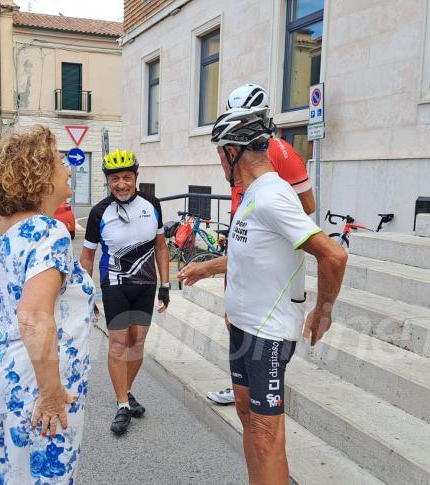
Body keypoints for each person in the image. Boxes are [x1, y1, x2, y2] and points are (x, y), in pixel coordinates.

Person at [202, 105, 347, 484]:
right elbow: (253, 255)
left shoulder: (273, 196)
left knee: (266, 435)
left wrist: (324, 310)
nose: (219, 163)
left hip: (268, 334)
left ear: (231, 152)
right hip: (243, 326)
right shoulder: (252, 194)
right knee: (245, 413)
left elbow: (333, 254)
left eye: (219, 154)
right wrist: (207, 268)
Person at [178, 84, 316, 406]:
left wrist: (272, 224)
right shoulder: (236, 155)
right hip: (245, 228)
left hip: (264, 238)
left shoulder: (276, 151)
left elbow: (306, 205)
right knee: (232, 317)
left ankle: (259, 384)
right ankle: (241, 381)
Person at [0, 126, 95, 484]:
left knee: (6, 471)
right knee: (44, 476)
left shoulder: (3, 230)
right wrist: (50, 393)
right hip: (35, 381)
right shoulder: (48, 231)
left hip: (2, 369)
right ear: (40, 172)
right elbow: (32, 316)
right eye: (60, 160)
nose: (68, 167)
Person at [79, 149, 171, 436]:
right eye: (115, 178)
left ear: (136, 178)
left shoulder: (151, 203)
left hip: (146, 283)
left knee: (137, 341)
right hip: (114, 284)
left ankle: (127, 392)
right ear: (108, 181)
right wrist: (87, 294)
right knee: (119, 342)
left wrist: (166, 285)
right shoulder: (99, 212)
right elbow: (87, 257)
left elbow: (161, 247)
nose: (121, 184)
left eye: (127, 177)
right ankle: (121, 405)